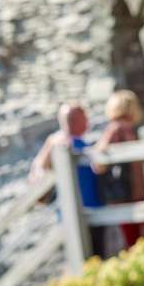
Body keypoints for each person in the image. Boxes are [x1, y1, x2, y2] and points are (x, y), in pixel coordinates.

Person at [28, 103, 105, 254]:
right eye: (84, 118)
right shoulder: (60, 143)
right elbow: (37, 172)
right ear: (77, 121)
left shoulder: (62, 142)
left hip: (83, 209)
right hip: (79, 209)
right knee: (88, 254)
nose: (88, 122)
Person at [92, 90, 144, 252]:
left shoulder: (127, 129)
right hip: (126, 195)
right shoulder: (115, 129)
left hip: (135, 194)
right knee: (135, 240)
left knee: (143, 237)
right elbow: (98, 162)